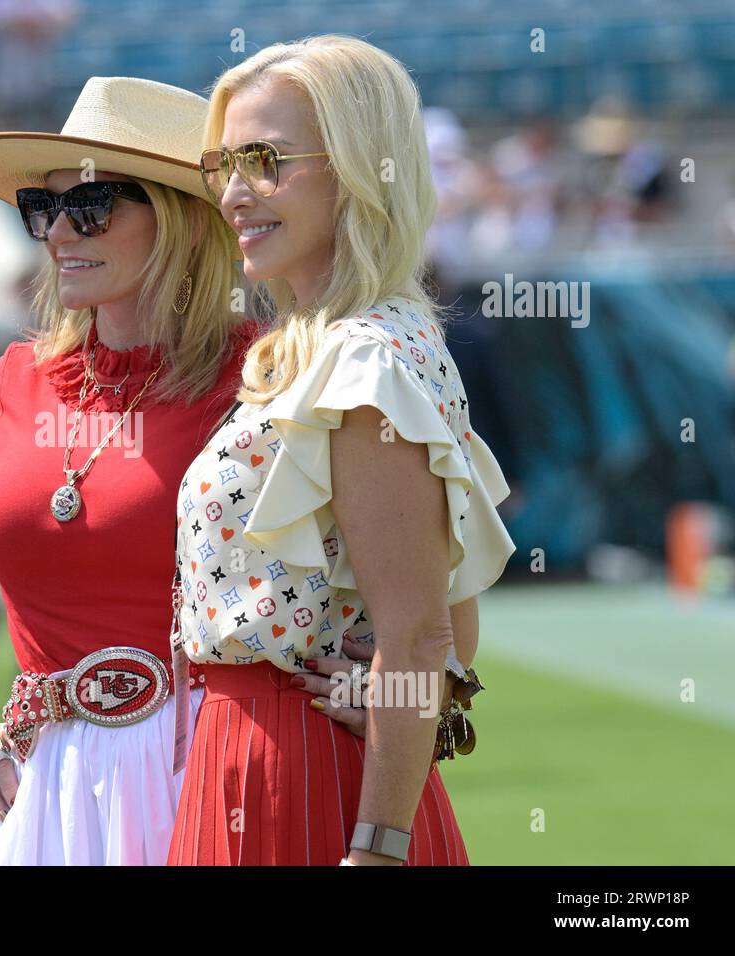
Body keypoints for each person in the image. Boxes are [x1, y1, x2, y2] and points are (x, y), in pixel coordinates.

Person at [0, 76, 255, 864]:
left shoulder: (263, 376)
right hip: (37, 788)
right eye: (43, 210)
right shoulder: (16, 380)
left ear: (182, 218)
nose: (56, 234)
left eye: (90, 206)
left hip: (213, 766)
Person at [167, 36, 516, 866]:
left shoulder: (366, 358)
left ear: (361, 165)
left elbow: (425, 630)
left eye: (265, 160)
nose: (235, 193)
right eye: (223, 165)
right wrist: (432, 695)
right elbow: (445, 629)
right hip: (257, 757)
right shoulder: (339, 345)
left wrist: (378, 848)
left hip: (307, 776)